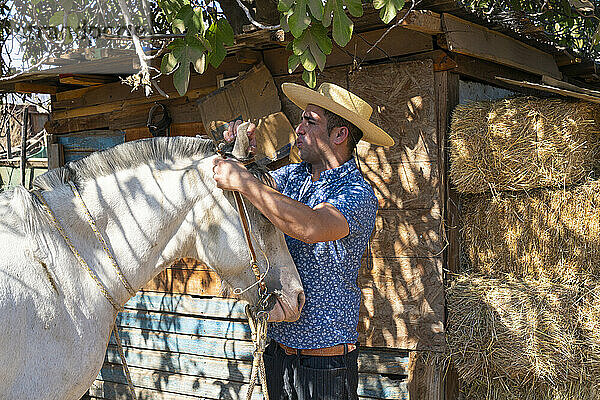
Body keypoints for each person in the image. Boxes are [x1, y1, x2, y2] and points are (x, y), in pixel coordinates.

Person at [212, 82, 394, 400]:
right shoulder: (293, 176)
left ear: (339, 135)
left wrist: (243, 180)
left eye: (310, 122)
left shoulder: (357, 193)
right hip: (278, 353)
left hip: (325, 363)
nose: (298, 129)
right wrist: (240, 158)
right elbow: (254, 195)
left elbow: (311, 226)